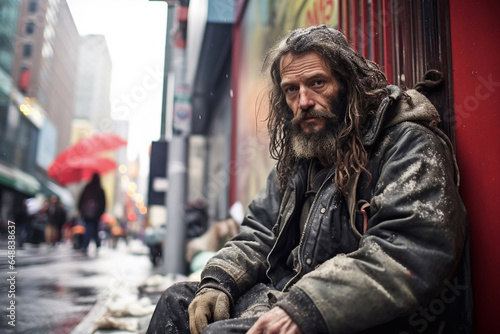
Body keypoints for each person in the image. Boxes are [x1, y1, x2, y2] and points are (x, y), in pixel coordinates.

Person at [146, 25, 470, 334]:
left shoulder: (405, 143)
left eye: (317, 83)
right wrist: (220, 280)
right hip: (290, 296)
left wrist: (308, 307)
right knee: (176, 303)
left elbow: (409, 251)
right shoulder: (300, 158)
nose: (303, 102)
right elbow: (259, 232)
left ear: (348, 84)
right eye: (291, 90)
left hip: (363, 318)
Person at [78, 173, 106, 255]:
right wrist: (101, 213)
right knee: (94, 229)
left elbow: (81, 200)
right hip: (96, 215)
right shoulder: (100, 190)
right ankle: (96, 244)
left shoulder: (87, 188)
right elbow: (103, 203)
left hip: (86, 214)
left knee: (88, 228)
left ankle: (85, 245)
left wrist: (81, 210)